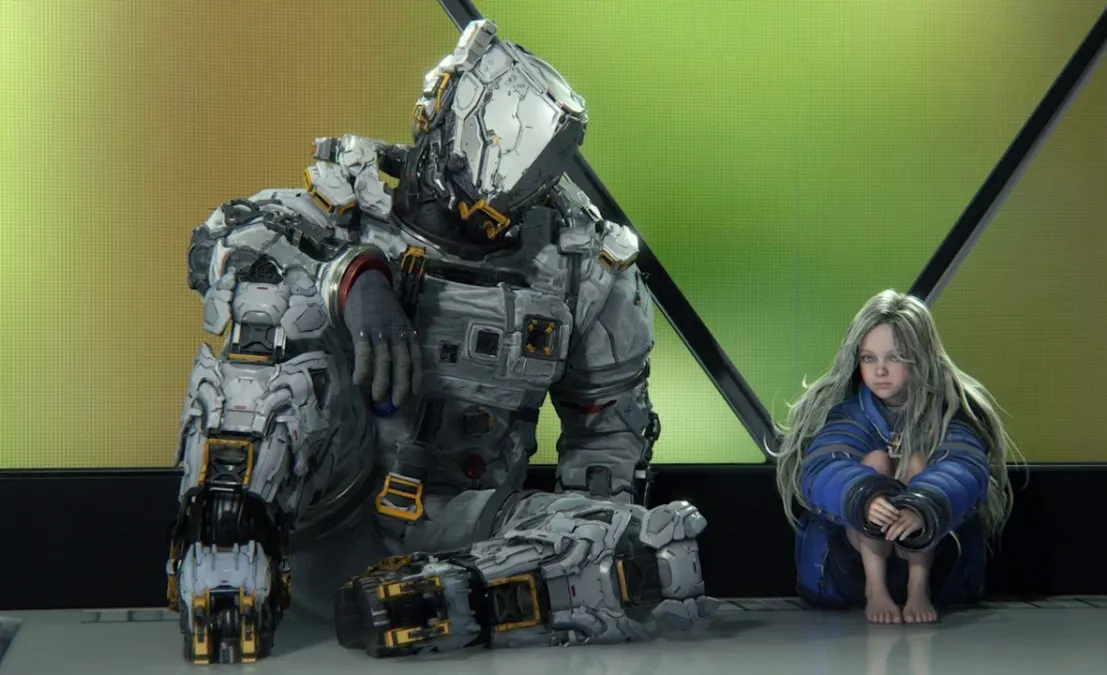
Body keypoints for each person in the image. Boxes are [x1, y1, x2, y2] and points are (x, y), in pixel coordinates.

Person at [167, 19, 713, 664]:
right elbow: (226, 248)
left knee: (656, 555)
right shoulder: (335, 217)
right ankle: (226, 565)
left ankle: (434, 604)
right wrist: (350, 277)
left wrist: (582, 547)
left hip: (463, 528)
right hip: (324, 501)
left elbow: (609, 439)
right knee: (267, 320)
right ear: (434, 123)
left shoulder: (581, 269)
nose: (467, 227)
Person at [773, 289, 1021, 623]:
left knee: (918, 465)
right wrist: (864, 498)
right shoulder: (847, 415)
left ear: (920, 358)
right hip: (851, 564)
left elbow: (964, 467)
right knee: (875, 465)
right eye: (868, 358)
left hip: (935, 561)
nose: (880, 371)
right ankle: (875, 588)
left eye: (895, 358)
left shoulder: (949, 415)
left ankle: (919, 587)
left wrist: (924, 505)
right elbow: (823, 467)